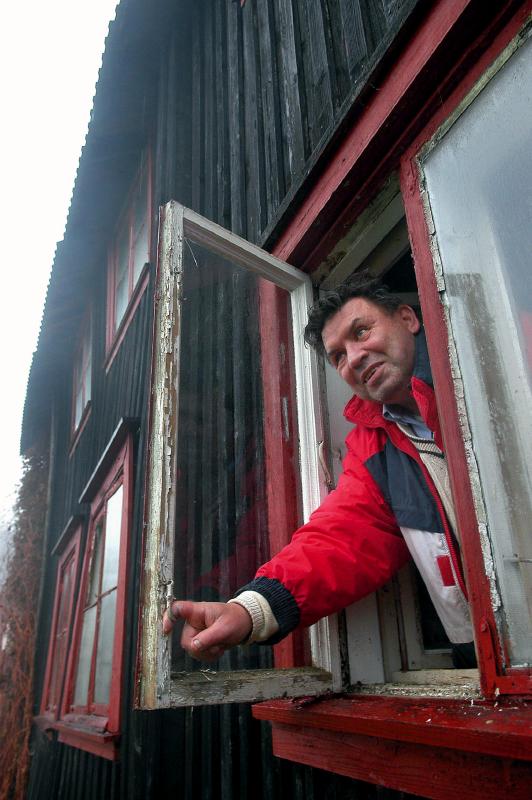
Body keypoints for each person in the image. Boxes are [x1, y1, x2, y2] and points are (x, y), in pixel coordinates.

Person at [163, 272, 476, 667]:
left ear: (407, 319)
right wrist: (249, 611)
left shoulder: (489, 360)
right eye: (338, 356)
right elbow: (342, 539)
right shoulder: (373, 446)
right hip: (479, 657)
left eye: (361, 332)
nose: (354, 357)